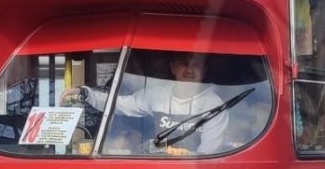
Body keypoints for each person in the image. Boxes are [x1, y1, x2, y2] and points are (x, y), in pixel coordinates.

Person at [62, 52, 229, 155]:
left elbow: (209, 153)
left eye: (196, 65)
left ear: (204, 70)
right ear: (173, 67)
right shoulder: (158, 95)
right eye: (184, 63)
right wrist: (86, 93)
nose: (190, 70)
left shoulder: (214, 104)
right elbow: (120, 104)